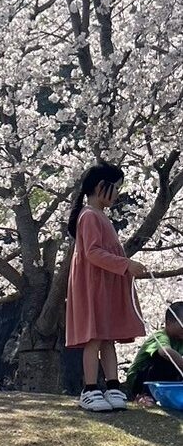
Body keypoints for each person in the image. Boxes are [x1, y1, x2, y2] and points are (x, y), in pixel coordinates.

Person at [66, 162, 147, 412]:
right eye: (116, 188)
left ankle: (113, 386)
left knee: (107, 337)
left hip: (105, 284)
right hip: (94, 285)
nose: (118, 194)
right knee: (95, 337)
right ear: (102, 187)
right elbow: (92, 252)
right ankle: (90, 388)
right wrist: (125, 264)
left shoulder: (99, 216)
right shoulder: (89, 215)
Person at [124, 301, 183, 404]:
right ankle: (143, 395)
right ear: (169, 322)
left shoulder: (180, 340)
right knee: (165, 360)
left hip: (165, 379)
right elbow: (166, 352)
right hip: (140, 378)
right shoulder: (161, 336)